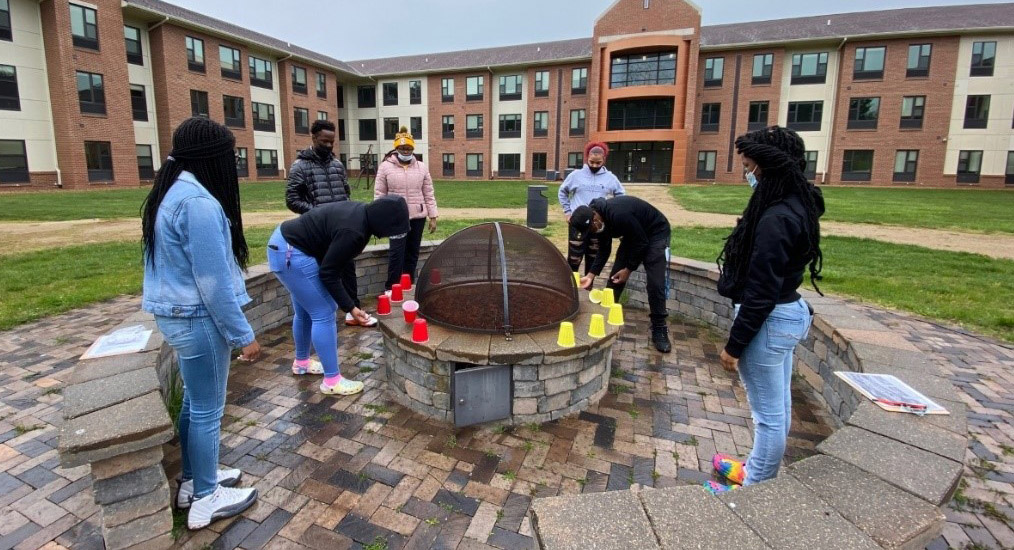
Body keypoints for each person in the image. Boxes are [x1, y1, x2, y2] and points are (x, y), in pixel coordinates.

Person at [140, 117, 259, 529]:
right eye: (230, 155)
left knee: (194, 401)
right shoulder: (198, 204)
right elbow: (213, 284)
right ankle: (207, 498)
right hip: (198, 321)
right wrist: (243, 335)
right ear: (213, 157)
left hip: (175, 318)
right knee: (209, 410)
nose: (234, 162)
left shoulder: (173, 192)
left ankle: (193, 480)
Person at [707, 126, 824, 495]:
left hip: (770, 322)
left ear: (766, 167)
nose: (746, 173)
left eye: (748, 166)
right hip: (787, 315)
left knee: (768, 418)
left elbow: (760, 293)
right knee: (780, 407)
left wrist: (734, 346)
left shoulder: (777, 218)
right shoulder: (794, 203)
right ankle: (756, 469)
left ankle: (756, 490)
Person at [267, 195, 409, 395]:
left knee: (305, 311)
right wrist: (350, 307)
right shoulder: (355, 231)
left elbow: (335, 260)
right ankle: (332, 381)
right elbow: (329, 272)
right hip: (292, 253)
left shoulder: (360, 212)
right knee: (324, 312)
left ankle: (302, 363)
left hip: (283, 244)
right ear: (384, 224)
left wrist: (348, 302)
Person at [285, 119, 377, 327]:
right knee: (325, 272)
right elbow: (292, 199)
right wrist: (319, 214)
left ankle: (354, 313)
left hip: (343, 229)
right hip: (318, 232)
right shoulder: (300, 166)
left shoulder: (337, 165)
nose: (328, 145)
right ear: (314, 138)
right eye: (324, 141)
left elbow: (345, 193)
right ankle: (324, 315)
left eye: (331, 142)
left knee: (349, 269)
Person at [569, 195, 672, 353]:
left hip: (655, 233)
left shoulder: (618, 214)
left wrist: (628, 269)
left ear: (595, 218)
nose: (593, 232)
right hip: (634, 235)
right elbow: (604, 249)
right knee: (614, 280)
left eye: (591, 229)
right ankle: (607, 318)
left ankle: (659, 328)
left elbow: (642, 243)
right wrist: (591, 275)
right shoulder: (598, 220)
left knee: (655, 283)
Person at [374, 127, 438, 290]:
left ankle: (408, 284)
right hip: (396, 218)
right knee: (396, 253)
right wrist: (380, 218)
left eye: (409, 148)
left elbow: (428, 192)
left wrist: (433, 216)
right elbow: (380, 194)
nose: (406, 151)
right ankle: (392, 287)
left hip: (418, 216)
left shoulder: (422, 167)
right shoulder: (385, 167)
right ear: (396, 148)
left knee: (412, 252)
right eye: (403, 148)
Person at [558, 142, 625, 273]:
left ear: (604, 159)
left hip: (598, 223)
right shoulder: (576, 175)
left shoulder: (610, 178)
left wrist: (610, 214)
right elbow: (562, 191)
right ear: (587, 158)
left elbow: (621, 196)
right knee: (574, 256)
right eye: (591, 162)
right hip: (578, 221)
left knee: (593, 255)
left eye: (598, 163)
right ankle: (572, 285)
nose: (594, 165)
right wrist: (567, 212)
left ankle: (589, 284)